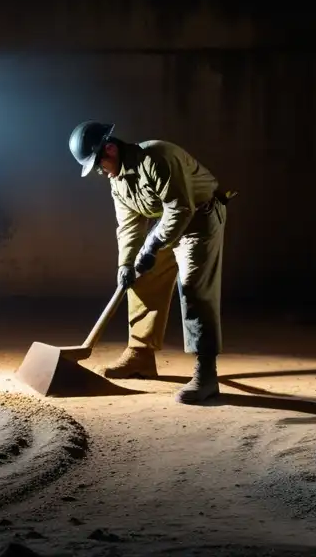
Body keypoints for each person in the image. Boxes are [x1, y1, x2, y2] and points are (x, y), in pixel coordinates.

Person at [68, 120, 231, 404]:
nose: (100, 172)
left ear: (110, 149)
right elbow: (129, 226)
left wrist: (153, 245)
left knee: (193, 288)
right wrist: (126, 264)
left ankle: (206, 374)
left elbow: (181, 207)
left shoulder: (157, 157)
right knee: (140, 278)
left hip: (200, 218)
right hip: (168, 222)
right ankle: (140, 356)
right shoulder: (117, 181)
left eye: (98, 164)